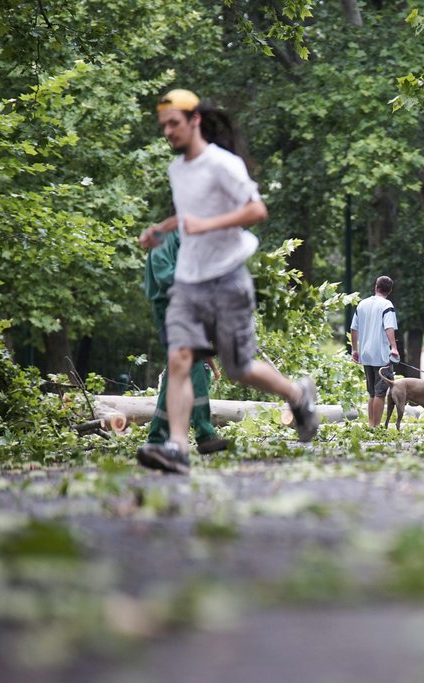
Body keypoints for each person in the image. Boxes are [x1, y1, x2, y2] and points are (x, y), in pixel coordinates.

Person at [136, 88, 319, 474]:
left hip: (227, 277)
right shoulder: (177, 169)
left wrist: (208, 225)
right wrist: (162, 230)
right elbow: (189, 215)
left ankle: (297, 394)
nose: (167, 132)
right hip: (188, 280)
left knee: (238, 368)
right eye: (163, 126)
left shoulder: (223, 164)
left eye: (174, 124)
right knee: (181, 359)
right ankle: (177, 448)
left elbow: (257, 210)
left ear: (194, 120)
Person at [137, 230, 229, 458]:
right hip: (171, 310)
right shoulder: (164, 240)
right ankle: (205, 434)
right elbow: (166, 277)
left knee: (176, 374)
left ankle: (157, 437)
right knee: (195, 367)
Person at [350, 275, 400, 428]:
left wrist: (354, 349)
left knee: (372, 393)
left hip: (365, 354)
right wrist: (394, 347)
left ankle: (371, 425)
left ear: (375, 287)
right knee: (380, 393)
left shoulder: (362, 304)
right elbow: (389, 327)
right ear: (389, 291)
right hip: (381, 356)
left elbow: (353, 328)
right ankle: (376, 427)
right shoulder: (387, 305)